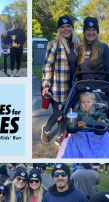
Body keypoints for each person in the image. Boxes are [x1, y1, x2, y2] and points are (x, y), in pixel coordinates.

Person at [41, 15, 80, 148]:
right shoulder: (54, 44)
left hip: (72, 88)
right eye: (62, 27)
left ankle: (59, 137)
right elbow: (47, 65)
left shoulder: (77, 44)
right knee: (58, 115)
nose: (66, 29)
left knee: (66, 114)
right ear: (59, 29)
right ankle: (46, 130)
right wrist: (46, 84)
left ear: (72, 28)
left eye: (68, 26)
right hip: (57, 87)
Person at [57, 91, 109, 158]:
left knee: (106, 139)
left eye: (88, 102)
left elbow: (104, 117)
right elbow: (73, 118)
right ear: (80, 103)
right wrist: (68, 119)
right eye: (83, 102)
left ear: (93, 102)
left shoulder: (99, 110)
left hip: (95, 132)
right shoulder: (78, 110)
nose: (85, 104)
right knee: (69, 141)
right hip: (81, 131)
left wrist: (103, 121)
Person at [77, 17, 109, 81]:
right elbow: (78, 71)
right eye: (88, 29)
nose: (91, 32)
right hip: (83, 87)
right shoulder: (80, 49)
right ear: (84, 32)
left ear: (97, 32)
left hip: (99, 87)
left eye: (93, 29)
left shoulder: (104, 48)